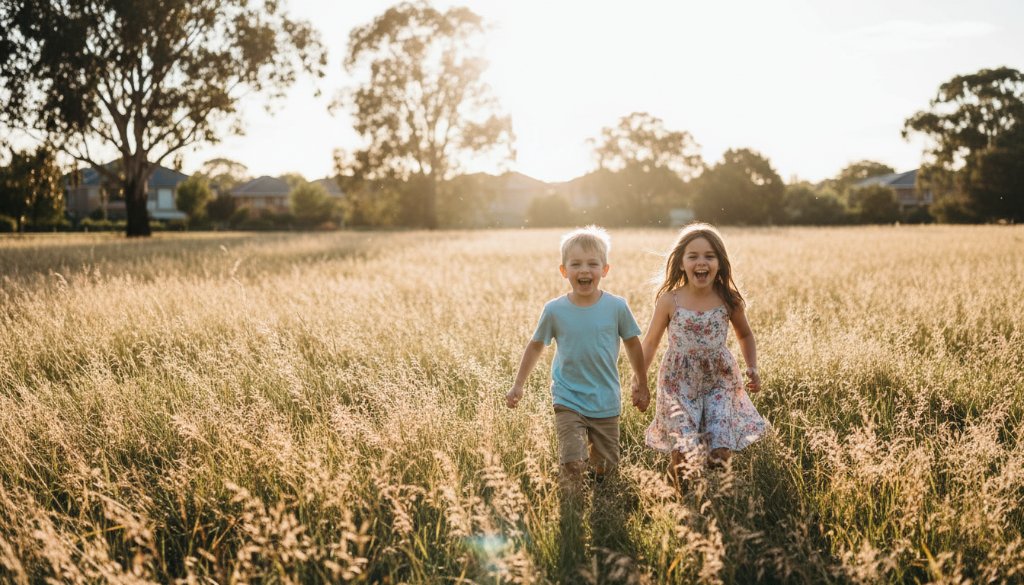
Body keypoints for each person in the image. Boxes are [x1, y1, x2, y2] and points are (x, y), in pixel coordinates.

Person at [506, 225, 649, 487]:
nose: (584, 270)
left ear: (605, 270)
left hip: (605, 400)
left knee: (605, 471)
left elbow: (632, 344)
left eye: (593, 263)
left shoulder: (616, 307)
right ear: (564, 271)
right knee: (572, 462)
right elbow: (536, 345)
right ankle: (571, 511)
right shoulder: (554, 310)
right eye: (576, 264)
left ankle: (602, 511)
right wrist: (518, 384)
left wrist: (642, 382)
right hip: (568, 398)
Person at [632, 223, 766, 485]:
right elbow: (650, 343)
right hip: (678, 382)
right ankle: (677, 501)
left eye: (709, 256)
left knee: (719, 454)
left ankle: (718, 503)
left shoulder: (730, 299)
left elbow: (745, 335)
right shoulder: (670, 300)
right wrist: (639, 380)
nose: (701, 262)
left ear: (720, 263)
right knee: (682, 455)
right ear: (681, 263)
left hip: (719, 380)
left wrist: (752, 366)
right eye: (693, 256)